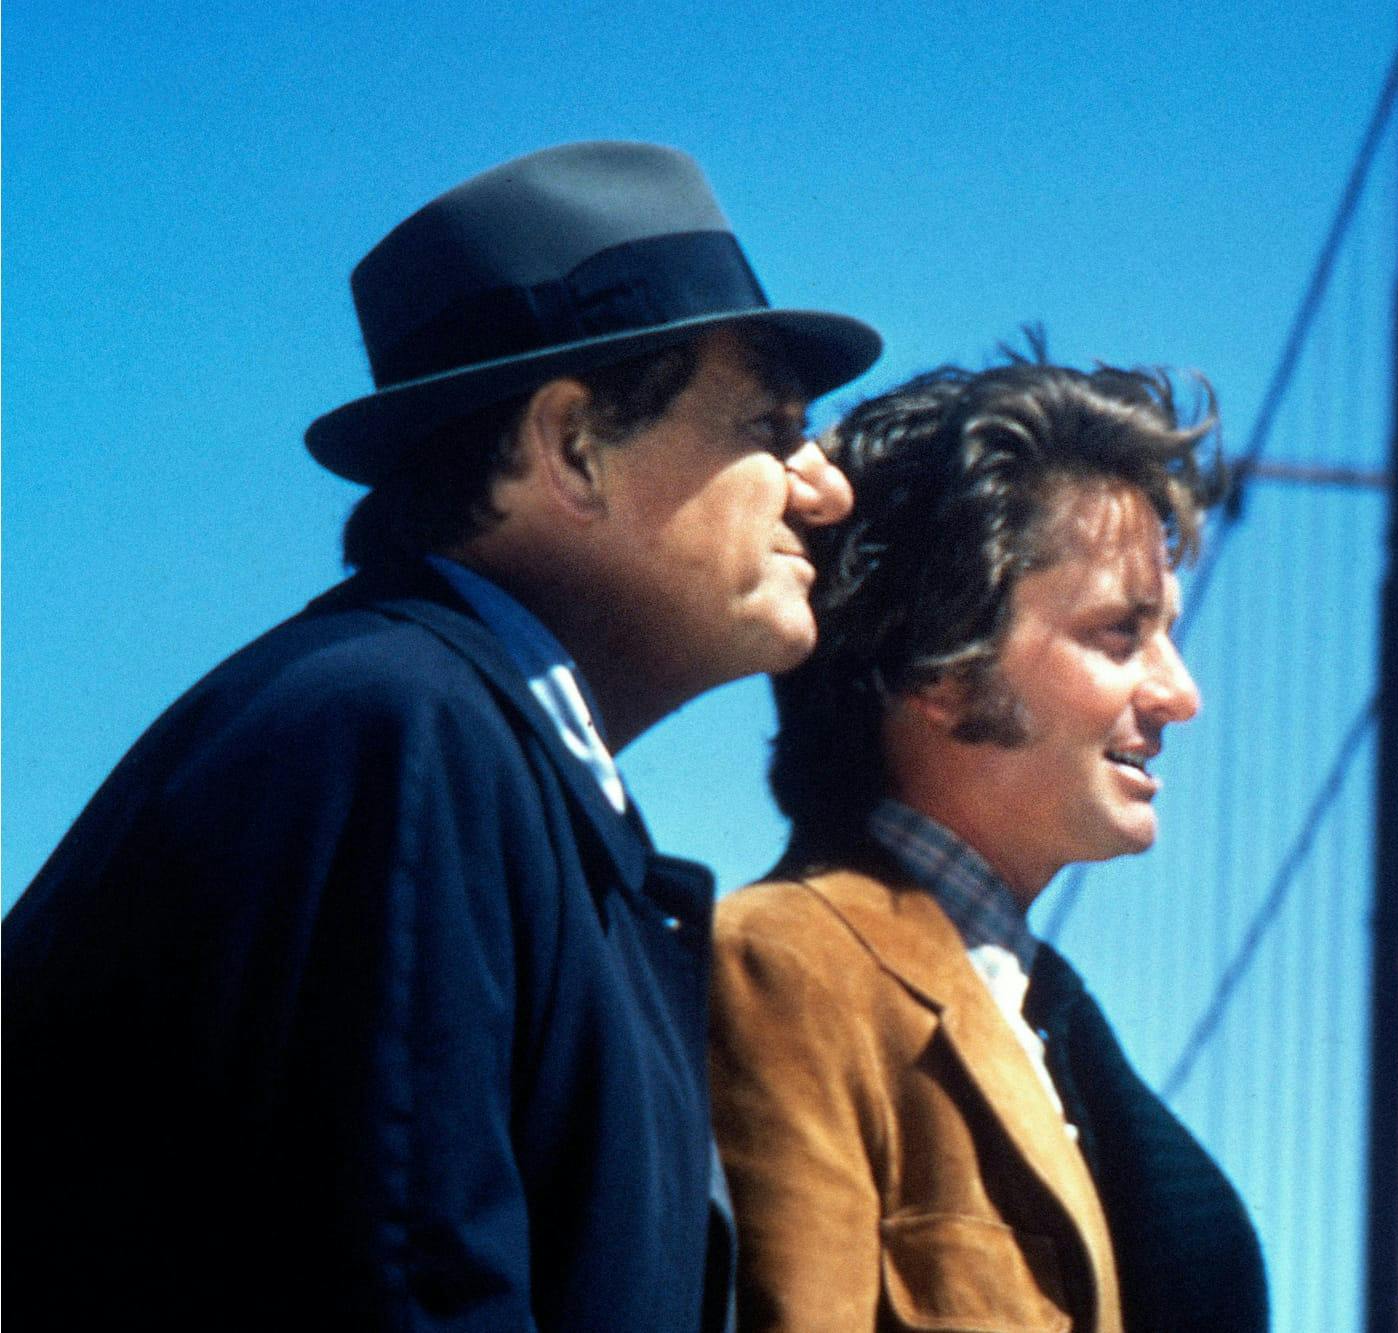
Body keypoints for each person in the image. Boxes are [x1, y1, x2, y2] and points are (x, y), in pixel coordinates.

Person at [3, 141, 880, 1330]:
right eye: (771, 427)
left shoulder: (463, 759)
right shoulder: (396, 737)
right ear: (570, 446)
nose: (821, 487)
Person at [708, 352, 1270, 1331]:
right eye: (1115, 635)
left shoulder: (1045, 1020)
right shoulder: (783, 969)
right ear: (940, 664)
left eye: (1165, 634)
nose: (1180, 693)